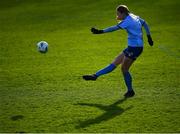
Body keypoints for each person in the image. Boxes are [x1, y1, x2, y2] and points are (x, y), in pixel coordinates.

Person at [83, 5, 154, 98]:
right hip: (132, 47)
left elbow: (114, 28)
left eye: (117, 13)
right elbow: (145, 24)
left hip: (135, 48)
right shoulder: (133, 16)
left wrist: (100, 31)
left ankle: (130, 91)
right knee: (115, 62)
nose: (117, 15)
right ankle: (95, 76)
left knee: (124, 69)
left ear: (122, 13)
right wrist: (149, 37)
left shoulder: (127, 21)